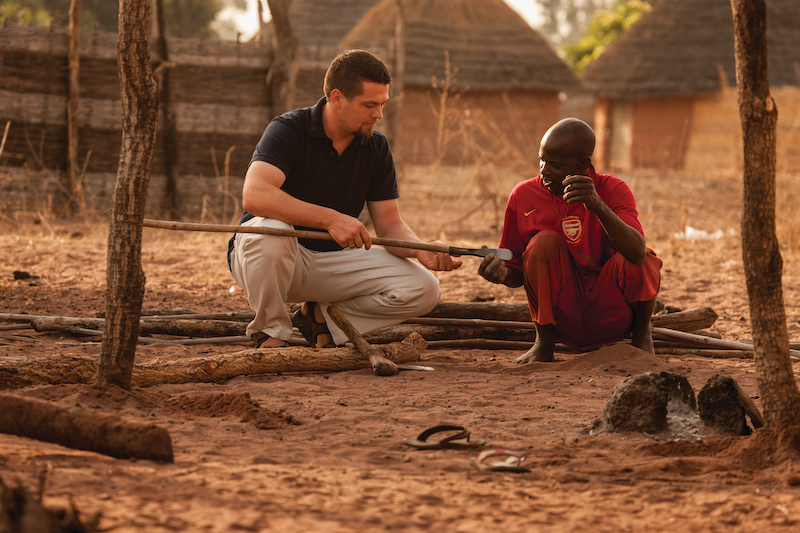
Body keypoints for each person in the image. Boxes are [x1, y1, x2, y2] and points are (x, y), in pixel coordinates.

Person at [228, 49, 461, 349]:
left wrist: (420, 249)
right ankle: (270, 332)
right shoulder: (288, 129)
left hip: (332, 262)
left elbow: (390, 226)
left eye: (382, 105)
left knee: (425, 288)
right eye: (369, 105)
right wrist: (330, 219)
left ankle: (322, 319)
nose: (378, 114)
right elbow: (255, 195)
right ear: (337, 98)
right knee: (273, 232)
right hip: (268, 261)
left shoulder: (376, 147)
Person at [478, 118, 662, 363]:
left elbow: (637, 254)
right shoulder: (523, 195)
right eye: (541, 160)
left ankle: (642, 335)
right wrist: (501, 275)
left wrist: (597, 205)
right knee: (543, 243)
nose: (543, 170)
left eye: (554, 164)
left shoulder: (614, 190)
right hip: (563, 318)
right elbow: (516, 272)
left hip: (612, 314)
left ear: (582, 164)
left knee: (643, 256)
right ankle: (543, 342)